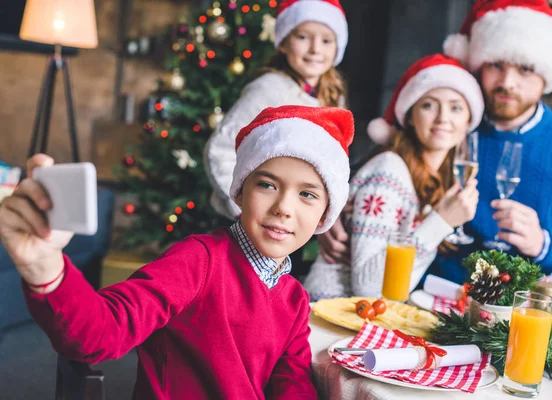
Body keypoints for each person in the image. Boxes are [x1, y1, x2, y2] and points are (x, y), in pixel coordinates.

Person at [0, 105, 354, 399]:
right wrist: (45, 266)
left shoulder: (293, 298)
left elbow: (291, 386)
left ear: (325, 214)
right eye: (266, 184)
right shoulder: (197, 262)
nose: (283, 208)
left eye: (307, 194)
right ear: (239, 192)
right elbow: (100, 332)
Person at [319, 0, 552, 285]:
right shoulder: (452, 120)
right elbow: (384, 168)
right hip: (423, 293)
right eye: (496, 65)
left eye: (525, 69)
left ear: (546, 74)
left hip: (515, 307)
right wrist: (332, 211)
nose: (508, 82)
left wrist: (545, 244)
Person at [303, 54, 484, 300]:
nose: (443, 118)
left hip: (361, 318)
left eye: (456, 107)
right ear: (410, 116)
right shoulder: (388, 170)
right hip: (330, 312)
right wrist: (440, 222)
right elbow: (369, 288)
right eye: (429, 105)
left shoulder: (430, 180)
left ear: (468, 121)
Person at [205, 0, 348, 220]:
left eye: (326, 40)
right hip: (255, 222)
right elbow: (219, 149)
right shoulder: (268, 88)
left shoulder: (333, 96)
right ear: (283, 42)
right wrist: (245, 210)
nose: (315, 49)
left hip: (298, 222)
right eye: (302, 37)